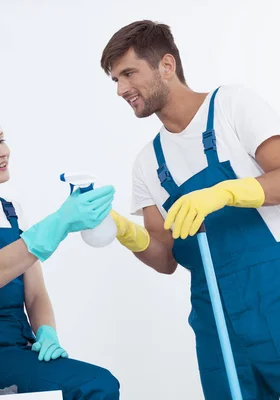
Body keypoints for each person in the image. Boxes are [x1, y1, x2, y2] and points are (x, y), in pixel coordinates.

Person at [100, 20, 280, 399]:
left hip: (274, 294)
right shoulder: (148, 162)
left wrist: (228, 192)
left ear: (167, 65)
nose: (121, 90)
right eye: (115, 80)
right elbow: (164, 257)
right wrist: (119, 229)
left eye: (128, 74)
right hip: (216, 319)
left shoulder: (232, 105)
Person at [0, 104, 121, 400]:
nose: (2, 151)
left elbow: (36, 294)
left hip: (17, 347)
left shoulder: (13, 214)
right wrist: (59, 222)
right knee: (96, 384)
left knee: (91, 382)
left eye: (1, 140)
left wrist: (46, 332)